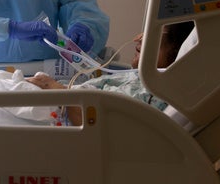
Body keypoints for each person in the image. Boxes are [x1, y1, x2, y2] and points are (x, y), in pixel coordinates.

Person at [26, 21, 195, 125]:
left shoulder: (153, 94)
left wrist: (57, 90)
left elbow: (97, 122)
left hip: (56, 111)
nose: (138, 40)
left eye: (154, 35)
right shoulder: (138, 78)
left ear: (176, 52)